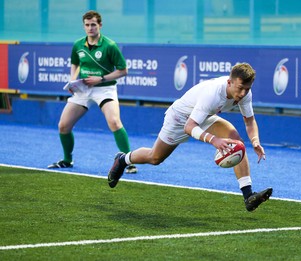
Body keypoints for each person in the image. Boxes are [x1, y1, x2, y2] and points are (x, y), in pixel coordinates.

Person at [108, 63, 272, 211]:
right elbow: (189, 127)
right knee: (155, 158)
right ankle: (123, 160)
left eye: (247, 89)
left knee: (236, 142)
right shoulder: (213, 94)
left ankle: (248, 196)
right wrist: (214, 140)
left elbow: (249, 122)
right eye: (240, 88)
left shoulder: (244, 93)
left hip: (205, 117)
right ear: (229, 82)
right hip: (180, 119)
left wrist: (255, 141)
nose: (243, 93)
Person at [48, 10, 137, 174]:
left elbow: (123, 71)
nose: (90, 28)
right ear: (84, 26)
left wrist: (101, 79)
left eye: (93, 25)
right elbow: (75, 63)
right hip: (83, 89)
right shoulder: (78, 44)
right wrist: (72, 81)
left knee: (114, 122)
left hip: (105, 89)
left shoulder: (109, 45)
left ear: (100, 25)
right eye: (87, 25)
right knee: (63, 126)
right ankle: (67, 160)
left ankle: (129, 162)